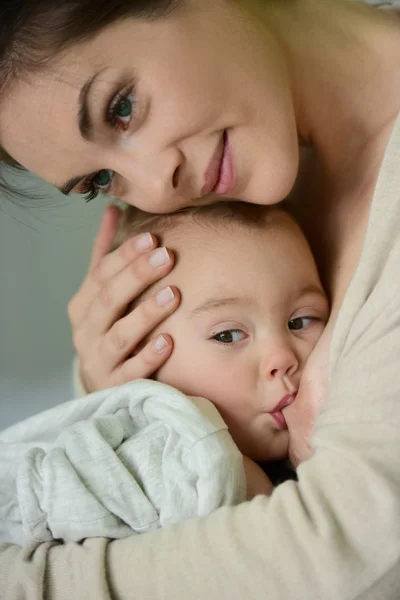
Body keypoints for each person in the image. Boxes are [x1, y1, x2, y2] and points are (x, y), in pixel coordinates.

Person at [1, 0, 400, 599]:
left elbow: (348, 549)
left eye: (122, 108)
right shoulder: (230, 208)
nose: (157, 184)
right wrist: (128, 390)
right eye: (100, 183)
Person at [0, 201, 326, 545]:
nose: (282, 356)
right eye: (227, 335)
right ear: (141, 361)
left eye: (300, 321)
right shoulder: (172, 471)